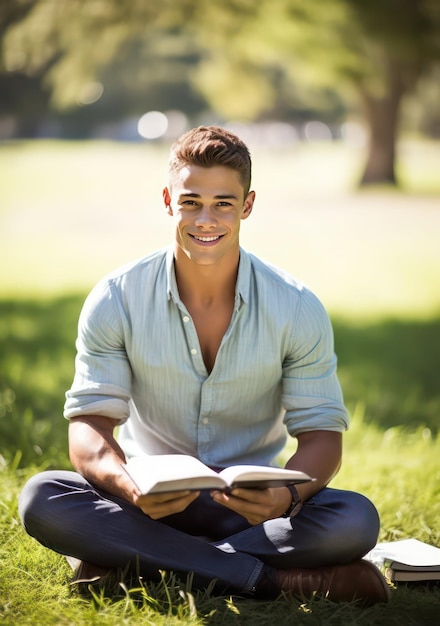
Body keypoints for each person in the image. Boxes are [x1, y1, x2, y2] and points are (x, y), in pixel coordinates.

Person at [19, 126, 389, 605]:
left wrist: (288, 500)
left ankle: (138, 561)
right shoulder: (115, 299)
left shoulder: (296, 306)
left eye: (223, 203)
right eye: (191, 201)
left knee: (354, 518)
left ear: (248, 205)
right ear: (168, 200)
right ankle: (269, 579)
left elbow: (322, 437)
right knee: (44, 497)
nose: (206, 218)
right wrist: (129, 488)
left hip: (253, 511)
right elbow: (90, 428)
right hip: (146, 503)